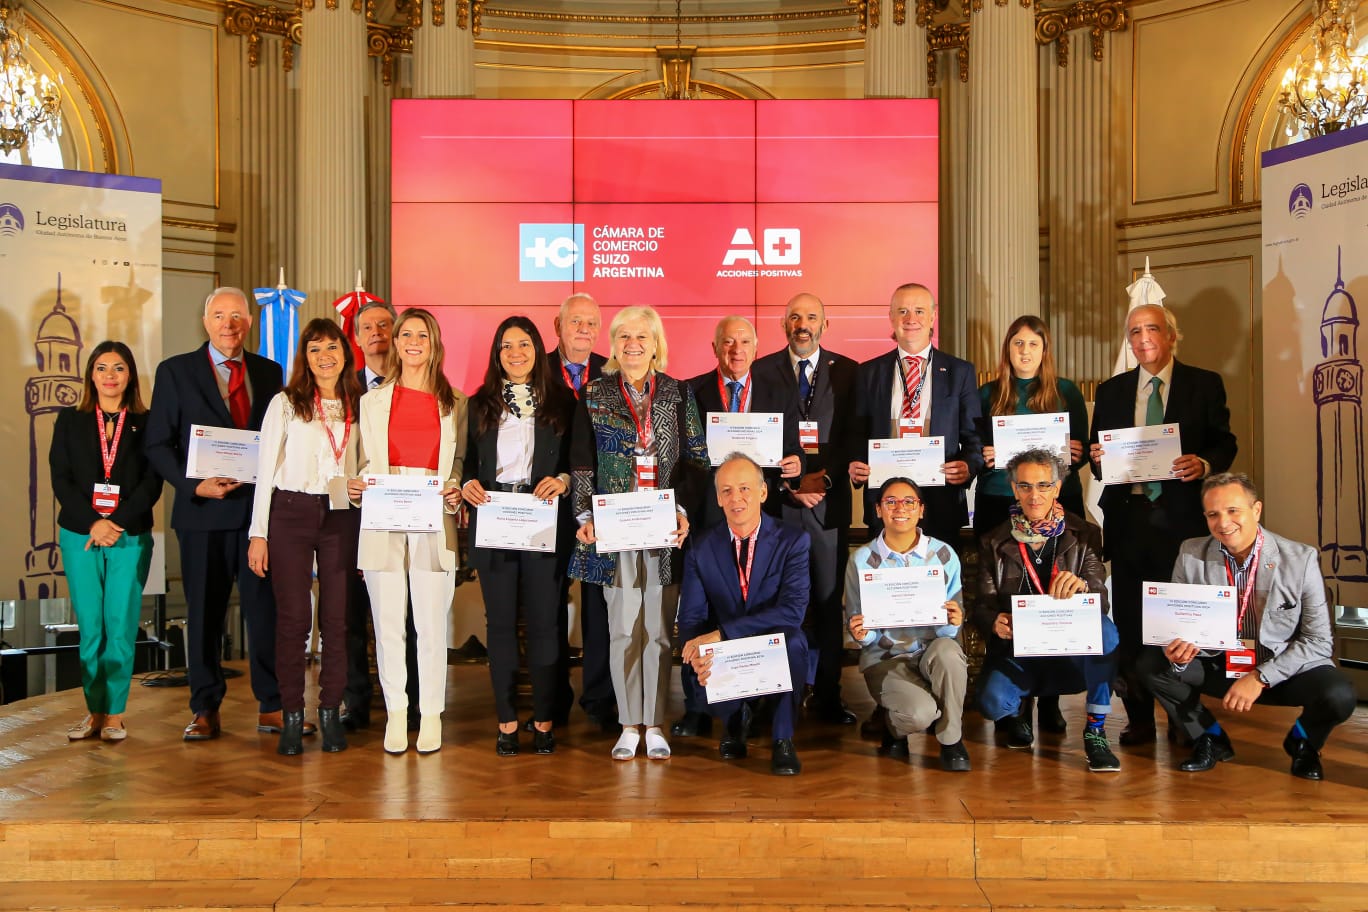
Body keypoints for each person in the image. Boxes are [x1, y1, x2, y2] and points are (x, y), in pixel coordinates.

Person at [1139, 473, 1357, 780]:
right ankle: (1209, 738)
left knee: (1339, 695)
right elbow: (1178, 624)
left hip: (1281, 667)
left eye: (1233, 511)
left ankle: (1303, 743)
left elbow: (1318, 641)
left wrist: (1260, 677)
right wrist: (1177, 647)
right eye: (1213, 514)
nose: (1223, 523)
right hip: (1220, 661)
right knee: (1152, 665)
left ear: (1256, 510)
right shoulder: (1191, 553)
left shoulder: (1300, 559)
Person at [145, 287, 291, 742]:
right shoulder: (175, 372)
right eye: (219, 316)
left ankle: (272, 705)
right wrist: (194, 485)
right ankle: (205, 707)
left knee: (263, 613)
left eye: (237, 316)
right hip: (201, 514)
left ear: (249, 322)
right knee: (204, 616)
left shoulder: (270, 373)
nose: (229, 325)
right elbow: (156, 444)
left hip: (256, 519)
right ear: (205, 322)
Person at [1089, 303, 1237, 745]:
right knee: (1133, 625)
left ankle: (1180, 716)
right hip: (1129, 520)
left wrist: (1205, 464)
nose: (1143, 338)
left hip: (1182, 525)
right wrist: (1099, 460)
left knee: (1179, 624)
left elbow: (1224, 441)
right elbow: (1100, 463)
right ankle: (1138, 718)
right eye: (1134, 332)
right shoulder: (1112, 391)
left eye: (1152, 329)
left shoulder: (1204, 383)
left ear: (1172, 335)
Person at [569, 305, 709, 761]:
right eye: (624, 336)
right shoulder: (593, 395)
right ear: (614, 344)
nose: (633, 344)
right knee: (622, 630)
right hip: (615, 530)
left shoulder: (677, 392)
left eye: (642, 337)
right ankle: (629, 723)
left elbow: (695, 458)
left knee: (658, 630)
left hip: (663, 529)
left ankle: (656, 723)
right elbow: (583, 462)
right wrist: (583, 517)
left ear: (655, 344)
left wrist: (683, 510)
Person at [672, 315, 803, 738]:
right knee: (704, 606)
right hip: (710, 516)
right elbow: (685, 460)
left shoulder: (779, 388)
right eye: (727, 343)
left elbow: (793, 448)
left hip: (757, 514)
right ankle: (698, 703)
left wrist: (797, 463)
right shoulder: (691, 391)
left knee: (758, 602)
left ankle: (760, 699)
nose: (735, 350)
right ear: (714, 348)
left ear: (756, 347)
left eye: (744, 342)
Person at [347, 307, 467, 754]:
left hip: (434, 520)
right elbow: (362, 462)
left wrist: (455, 489)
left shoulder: (456, 401)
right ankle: (397, 713)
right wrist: (357, 487)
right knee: (389, 625)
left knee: (432, 625)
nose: (413, 342)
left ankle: (431, 713)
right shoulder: (371, 400)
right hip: (383, 518)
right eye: (405, 334)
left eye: (422, 335)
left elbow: (458, 465)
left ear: (434, 343)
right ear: (394, 342)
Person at [246, 319, 363, 755]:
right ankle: (293, 715)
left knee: (336, 620)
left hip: (340, 516)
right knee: (294, 620)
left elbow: (369, 460)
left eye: (332, 347)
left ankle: (331, 711)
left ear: (345, 353)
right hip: (290, 513)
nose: (325, 357)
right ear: (305, 357)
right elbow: (263, 473)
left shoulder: (358, 403)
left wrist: (362, 479)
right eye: (315, 350)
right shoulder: (285, 402)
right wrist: (258, 534)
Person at [461, 315, 576, 756]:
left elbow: (576, 460)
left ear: (537, 350)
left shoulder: (563, 402)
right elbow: (468, 462)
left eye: (524, 345)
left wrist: (564, 480)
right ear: (496, 353)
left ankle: (545, 721)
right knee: (502, 626)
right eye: (506, 346)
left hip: (543, 517)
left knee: (547, 624)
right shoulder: (478, 404)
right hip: (494, 514)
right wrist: (469, 482)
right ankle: (507, 722)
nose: (515, 353)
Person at [975, 316, 1090, 735]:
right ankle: (1015, 702)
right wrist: (982, 456)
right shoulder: (988, 394)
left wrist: (1077, 452)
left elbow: (1084, 451)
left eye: (1033, 345)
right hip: (998, 503)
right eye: (1017, 344)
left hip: (1057, 507)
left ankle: (1050, 697)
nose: (1024, 352)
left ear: (1045, 351)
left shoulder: (1067, 392)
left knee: (1052, 592)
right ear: (1007, 349)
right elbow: (972, 448)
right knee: (1008, 594)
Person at [972, 449, 1121, 772]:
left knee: (1106, 632)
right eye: (1024, 486)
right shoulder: (994, 542)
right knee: (992, 703)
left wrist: (1081, 587)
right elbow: (982, 604)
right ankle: (1020, 709)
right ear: (1013, 489)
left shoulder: (1085, 535)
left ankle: (1095, 730)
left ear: (1057, 488)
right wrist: (993, 622)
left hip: (1069, 652)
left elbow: (1100, 596)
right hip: (1019, 650)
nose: (1034, 495)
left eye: (1043, 485)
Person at [754, 293, 860, 726]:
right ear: (784, 325)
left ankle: (828, 696)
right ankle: (774, 696)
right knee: (777, 602)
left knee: (827, 602)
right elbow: (753, 437)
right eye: (794, 316)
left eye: (811, 317)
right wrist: (788, 485)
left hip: (827, 507)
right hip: (779, 507)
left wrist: (823, 479)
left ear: (825, 324)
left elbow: (856, 436)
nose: (803, 324)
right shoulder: (762, 371)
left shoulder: (850, 372)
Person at [51, 341, 162, 742]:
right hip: (81, 534)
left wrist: (114, 522)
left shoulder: (148, 422)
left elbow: (152, 482)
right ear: (90, 375)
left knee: (119, 624)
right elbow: (59, 478)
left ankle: (114, 713)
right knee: (91, 628)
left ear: (130, 374)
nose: (110, 375)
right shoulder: (70, 421)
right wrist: (94, 523)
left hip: (128, 534)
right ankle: (93, 711)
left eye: (118, 367)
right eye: (102, 368)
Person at [678, 454, 810, 775]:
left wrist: (723, 633)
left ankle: (782, 740)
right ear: (718, 498)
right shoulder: (701, 547)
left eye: (744, 489)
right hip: (728, 651)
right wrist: (696, 649)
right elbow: (692, 615)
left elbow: (792, 612)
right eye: (726, 491)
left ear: (763, 493)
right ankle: (736, 721)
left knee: (794, 643)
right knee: (700, 658)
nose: (736, 498)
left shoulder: (793, 540)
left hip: (772, 640)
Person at [845, 477, 971, 771]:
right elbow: (857, 620)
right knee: (919, 714)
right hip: (886, 657)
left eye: (909, 502)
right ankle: (894, 726)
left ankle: (951, 741)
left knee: (948, 652)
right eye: (890, 502)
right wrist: (860, 633)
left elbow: (951, 626)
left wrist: (954, 620)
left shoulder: (943, 555)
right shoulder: (862, 560)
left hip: (932, 652)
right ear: (878, 510)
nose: (900, 508)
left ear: (921, 510)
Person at [849, 283, 983, 546]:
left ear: (933, 317)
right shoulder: (867, 373)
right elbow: (856, 432)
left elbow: (973, 436)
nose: (911, 319)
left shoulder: (960, 372)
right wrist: (855, 463)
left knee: (940, 581)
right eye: (903, 311)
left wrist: (968, 466)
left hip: (941, 499)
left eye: (920, 311)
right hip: (885, 503)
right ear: (891, 317)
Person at [342, 300, 420, 733]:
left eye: (384, 326)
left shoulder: (417, 386)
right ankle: (357, 700)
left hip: (406, 516)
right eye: (366, 327)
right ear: (356, 337)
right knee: (353, 615)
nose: (376, 333)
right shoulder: (344, 389)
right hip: (353, 518)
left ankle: (408, 704)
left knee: (406, 615)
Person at [547, 292, 613, 730]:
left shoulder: (612, 371)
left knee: (598, 606)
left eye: (591, 322)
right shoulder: (536, 370)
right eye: (576, 322)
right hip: (545, 505)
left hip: (598, 508)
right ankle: (552, 699)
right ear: (558, 327)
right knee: (548, 604)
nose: (584, 330)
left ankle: (600, 699)